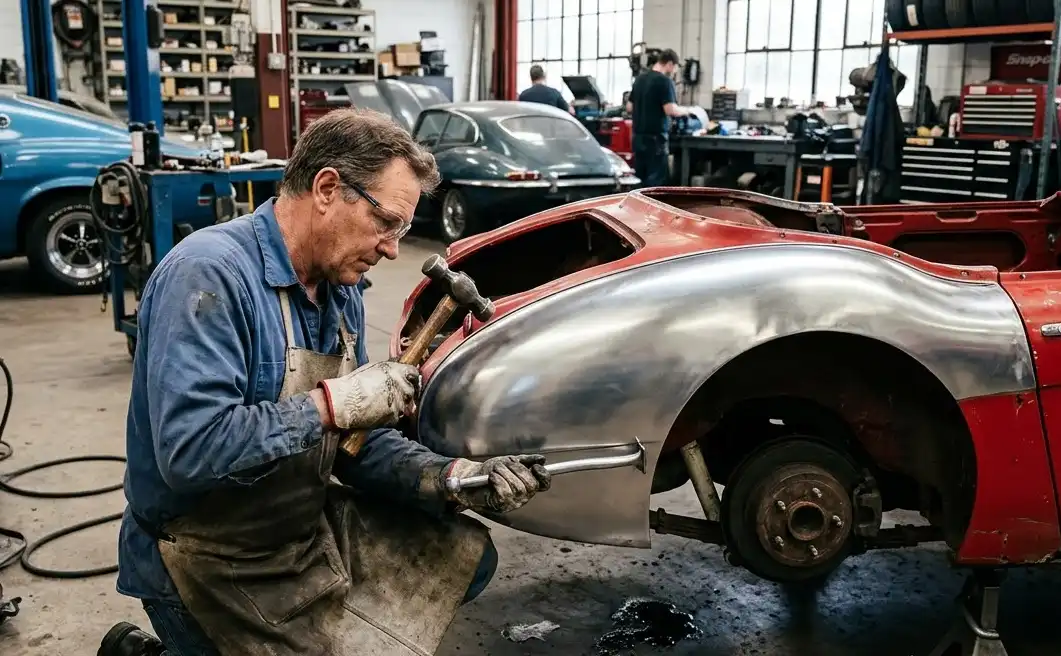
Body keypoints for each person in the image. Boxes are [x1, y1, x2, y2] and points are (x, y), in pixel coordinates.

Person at [104, 108, 552, 656]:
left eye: (402, 230)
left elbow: (354, 442)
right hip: (204, 553)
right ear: (327, 189)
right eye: (386, 222)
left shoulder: (341, 291)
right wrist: (329, 406)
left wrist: (450, 476)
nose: (392, 248)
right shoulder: (209, 276)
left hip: (297, 527)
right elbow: (190, 451)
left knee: (467, 560)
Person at [625, 48, 693, 187]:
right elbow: (670, 109)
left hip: (638, 138)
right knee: (655, 183)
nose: (674, 72)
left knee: (639, 180)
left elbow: (629, 107)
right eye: (675, 68)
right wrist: (687, 111)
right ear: (670, 64)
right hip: (655, 141)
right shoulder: (665, 81)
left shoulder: (639, 79)